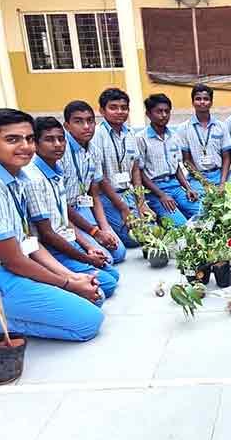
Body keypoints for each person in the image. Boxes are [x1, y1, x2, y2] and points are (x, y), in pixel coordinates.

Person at [0, 108, 103, 350]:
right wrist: (69, 285)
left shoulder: (16, 178)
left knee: (95, 295)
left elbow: (30, 241)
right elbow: (14, 261)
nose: (25, 146)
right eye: (12, 139)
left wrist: (71, 276)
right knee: (88, 322)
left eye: (29, 138)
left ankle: (1, 313)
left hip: (9, 268)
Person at [25, 117, 119, 301]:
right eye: (49, 140)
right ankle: (53, 282)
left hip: (67, 239)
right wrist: (86, 259)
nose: (58, 144)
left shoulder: (56, 171)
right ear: (35, 143)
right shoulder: (34, 180)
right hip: (52, 248)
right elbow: (48, 234)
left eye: (61, 139)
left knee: (112, 274)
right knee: (103, 289)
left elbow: (63, 218)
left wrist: (88, 246)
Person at [61, 100, 126, 264]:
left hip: (83, 206)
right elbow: (59, 203)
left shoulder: (94, 151)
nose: (86, 126)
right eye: (78, 121)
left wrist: (105, 228)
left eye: (90, 121)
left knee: (119, 253)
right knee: (107, 260)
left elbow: (94, 195)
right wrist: (95, 232)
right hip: (64, 211)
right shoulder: (60, 152)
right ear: (67, 125)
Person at [93, 88, 151, 248]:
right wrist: (124, 209)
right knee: (134, 238)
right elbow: (100, 177)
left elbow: (135, 170)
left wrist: (141, 202)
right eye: (113, 107)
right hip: (107, 197)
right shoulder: (97, 135)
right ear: (102, 110)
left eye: (124, 108)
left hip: (128, 193)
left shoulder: (130, 133)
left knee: (152, 230)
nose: (120, 112)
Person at [136, 93, 200, 227]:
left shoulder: (174, 135)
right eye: (159, 111)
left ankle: (173, 212)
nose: (164, 115)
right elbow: (140, 174)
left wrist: (188, 188)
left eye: (167, 111)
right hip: (156, 189)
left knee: (203, 213)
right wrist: (161, 195)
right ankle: (161, 216)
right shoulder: (141, 138)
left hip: (175, 186)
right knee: (181, 226)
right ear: (148, 114)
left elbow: (176, 167)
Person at [180, 83, 231, 191]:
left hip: (219, 174)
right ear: (193, 102)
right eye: (198, 99)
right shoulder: (184, 128)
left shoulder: (221, 126)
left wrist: (222, 183)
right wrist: (203, 182)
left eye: (206, 99)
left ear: (211, 102)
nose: (202, 102)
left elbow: (227, 157)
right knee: (201, 202)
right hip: (197, 177)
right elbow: (186, 160)